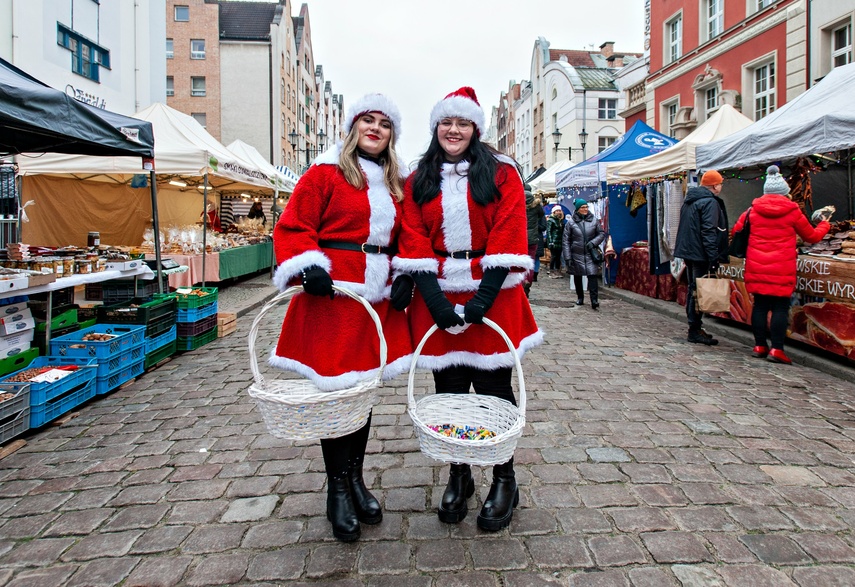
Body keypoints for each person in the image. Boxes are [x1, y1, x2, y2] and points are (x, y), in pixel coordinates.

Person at [394, 86, 543, 531]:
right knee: (451, 391)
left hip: (492, 293)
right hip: (438, 289)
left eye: (462, 123)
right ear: (436, 127)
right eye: (446, 122)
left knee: (496, 388)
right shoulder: (419, 176)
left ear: (474, 128)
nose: (453, 130)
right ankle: (460, 475)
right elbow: (413, 235)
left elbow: (509, 230)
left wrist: (484, 296)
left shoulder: (500, 173)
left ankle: (504, 478)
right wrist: (436, 299)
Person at [270, 94, 413, 542]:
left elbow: (409, 233)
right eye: (367, 120)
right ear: (352, 127)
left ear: (392, 135)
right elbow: (294, 224)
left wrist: (406, 270)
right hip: (333, 294)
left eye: (384, 123)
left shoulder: (396, 181)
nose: (375, 128)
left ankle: (356, 479)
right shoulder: (325, 173)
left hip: (376, 301)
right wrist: (307, 263)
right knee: (335, 396)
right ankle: (336, 488)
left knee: (361, 395)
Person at [734, 165, 831, 364]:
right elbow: (811, 237)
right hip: (781, 267)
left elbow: (737, 231)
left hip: (757, 265)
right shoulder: (792, 211)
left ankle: (760, 345)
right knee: (780, 307)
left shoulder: (752, 211)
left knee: (760, 306)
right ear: (785, 192)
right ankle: (777, 349)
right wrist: (825, 224)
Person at [673, 169, 730, 345]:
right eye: (720, 183)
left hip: (690, 252)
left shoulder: (691, 200)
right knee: (698, 291)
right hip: (700, 253)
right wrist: (713, 257)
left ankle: (695, 327)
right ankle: (694, 329)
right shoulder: (709, 203)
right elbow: (708, 231)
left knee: (693, 289)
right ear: (714, 185)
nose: (721, 186)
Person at [563, 198, 605, 310]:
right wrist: (567, 257)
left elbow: (601, 234)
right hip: (576, 253)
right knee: (578, 276)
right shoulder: (570, 223)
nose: (585, 209)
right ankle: (580, 297)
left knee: (592, 276)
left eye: (586, 207)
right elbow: (566, 241)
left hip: (590, 253)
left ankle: (594, 300)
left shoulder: (594, 221)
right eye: (582, 207)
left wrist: (593, 242)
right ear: (577, 209)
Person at [524, 186, 547, 295]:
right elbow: (541, 215)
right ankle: (528, 280)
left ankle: (521, 282)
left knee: (519, 262)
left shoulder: (517, 202)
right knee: (531, 261)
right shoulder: (536, 205)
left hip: (521, 237)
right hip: (533, 237)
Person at [547, 206, 566, 275]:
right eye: (557, 211)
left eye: (559, 211)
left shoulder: (560, 220)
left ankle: (557, 269)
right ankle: (551, 269)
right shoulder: (551, 220)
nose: (558, 212)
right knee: (554, 256)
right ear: (554, 212)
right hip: (554, 241)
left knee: (558, 256)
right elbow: (549, 231)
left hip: (560, 241)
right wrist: (550, 241)